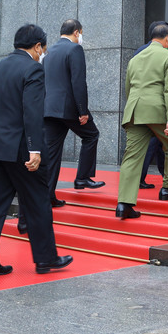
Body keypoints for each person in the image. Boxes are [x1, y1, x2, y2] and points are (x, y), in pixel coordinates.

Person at [0, 24, 73, 277]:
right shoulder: (33, 69)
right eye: (44, 47)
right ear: (37, 46)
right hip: (21, 150)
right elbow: (32, 113)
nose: (44, 52)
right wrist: (35, 149)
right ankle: (45, 259)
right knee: (38, 203)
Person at [117, 23, 168, 218]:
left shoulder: (136, 58)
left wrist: (134, 109)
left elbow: (128, 88)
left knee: (132, 156)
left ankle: (124, 203)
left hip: (134, 110)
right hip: (156, 110)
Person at [43, 19, 104, 206]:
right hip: (68, 109)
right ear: (76, 32)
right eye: (81, 33)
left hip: (49, 109)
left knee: (52, 154)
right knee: (92, 135)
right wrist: (82, 110)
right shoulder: (74, 49)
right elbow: (78, 82)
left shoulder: (49, 51)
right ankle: (82, 177)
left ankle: (47, 197)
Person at [134, 21, 168, 189]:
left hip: (137, 108)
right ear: (167, 38)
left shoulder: (138, 52)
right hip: (160, 108)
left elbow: (130, 83)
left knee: (139, 148)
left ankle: (128, 194)